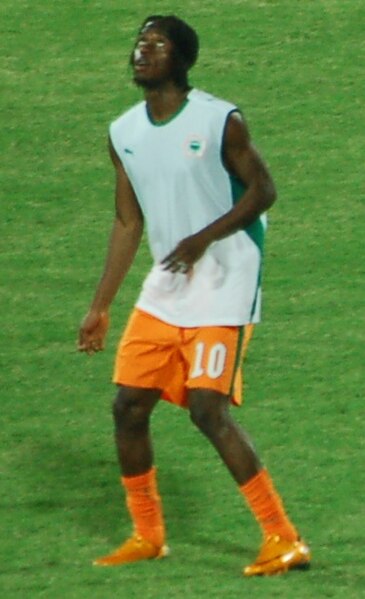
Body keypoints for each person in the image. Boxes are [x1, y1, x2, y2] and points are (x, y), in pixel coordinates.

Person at [78, 15, 310, 576]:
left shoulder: (218, 119)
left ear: (182, 59)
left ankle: (283, 539)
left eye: (155, 45)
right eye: (138, 43)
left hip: (226, 279)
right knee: (128, 406)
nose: (141, 52)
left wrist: (205, 237)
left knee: (208, 410)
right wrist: (101, 304)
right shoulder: (124, 132)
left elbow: (264, 190)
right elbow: (127, 221)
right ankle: (148, 535)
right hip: (168, 281)